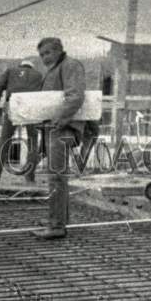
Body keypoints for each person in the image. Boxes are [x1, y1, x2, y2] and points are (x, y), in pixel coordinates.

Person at [33, 37, 86, 240]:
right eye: (41, 55)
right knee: (56, 176)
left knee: (56, 177)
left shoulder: (70, 65)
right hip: (54, 127)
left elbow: (75, 96)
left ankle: (56, 226)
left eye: (47, 53)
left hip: (63, 128)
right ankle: (58, 219)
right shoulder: (56, 68)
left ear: (58, 50)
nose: (44, 58)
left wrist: (59, 120)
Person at [0, 59, 43, 183]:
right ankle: (30, 178)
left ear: (21, 65)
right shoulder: (38, 75)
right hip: (31, 107)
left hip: (13, 105)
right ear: (32, 67)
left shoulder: (11, 71)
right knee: (32, 142)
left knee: (4, 140)